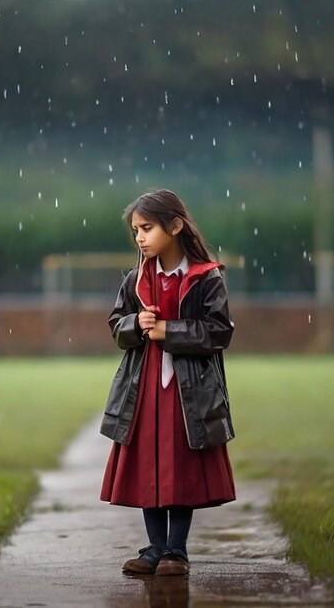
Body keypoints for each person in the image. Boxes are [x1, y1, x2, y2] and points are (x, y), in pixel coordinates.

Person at [100, 188, 235, 576]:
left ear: (175, 226)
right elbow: (116, 326)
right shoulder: (135, 280)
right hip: (142, 393)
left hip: (188, 394)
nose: (139, 238)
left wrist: (167, 331)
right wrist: (135, 325)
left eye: (147, 228)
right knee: (148, 466)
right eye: (135, 231)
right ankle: (154, 549)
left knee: (182, 467)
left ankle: (177, 551)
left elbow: (219, 331)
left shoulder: (206, 278)